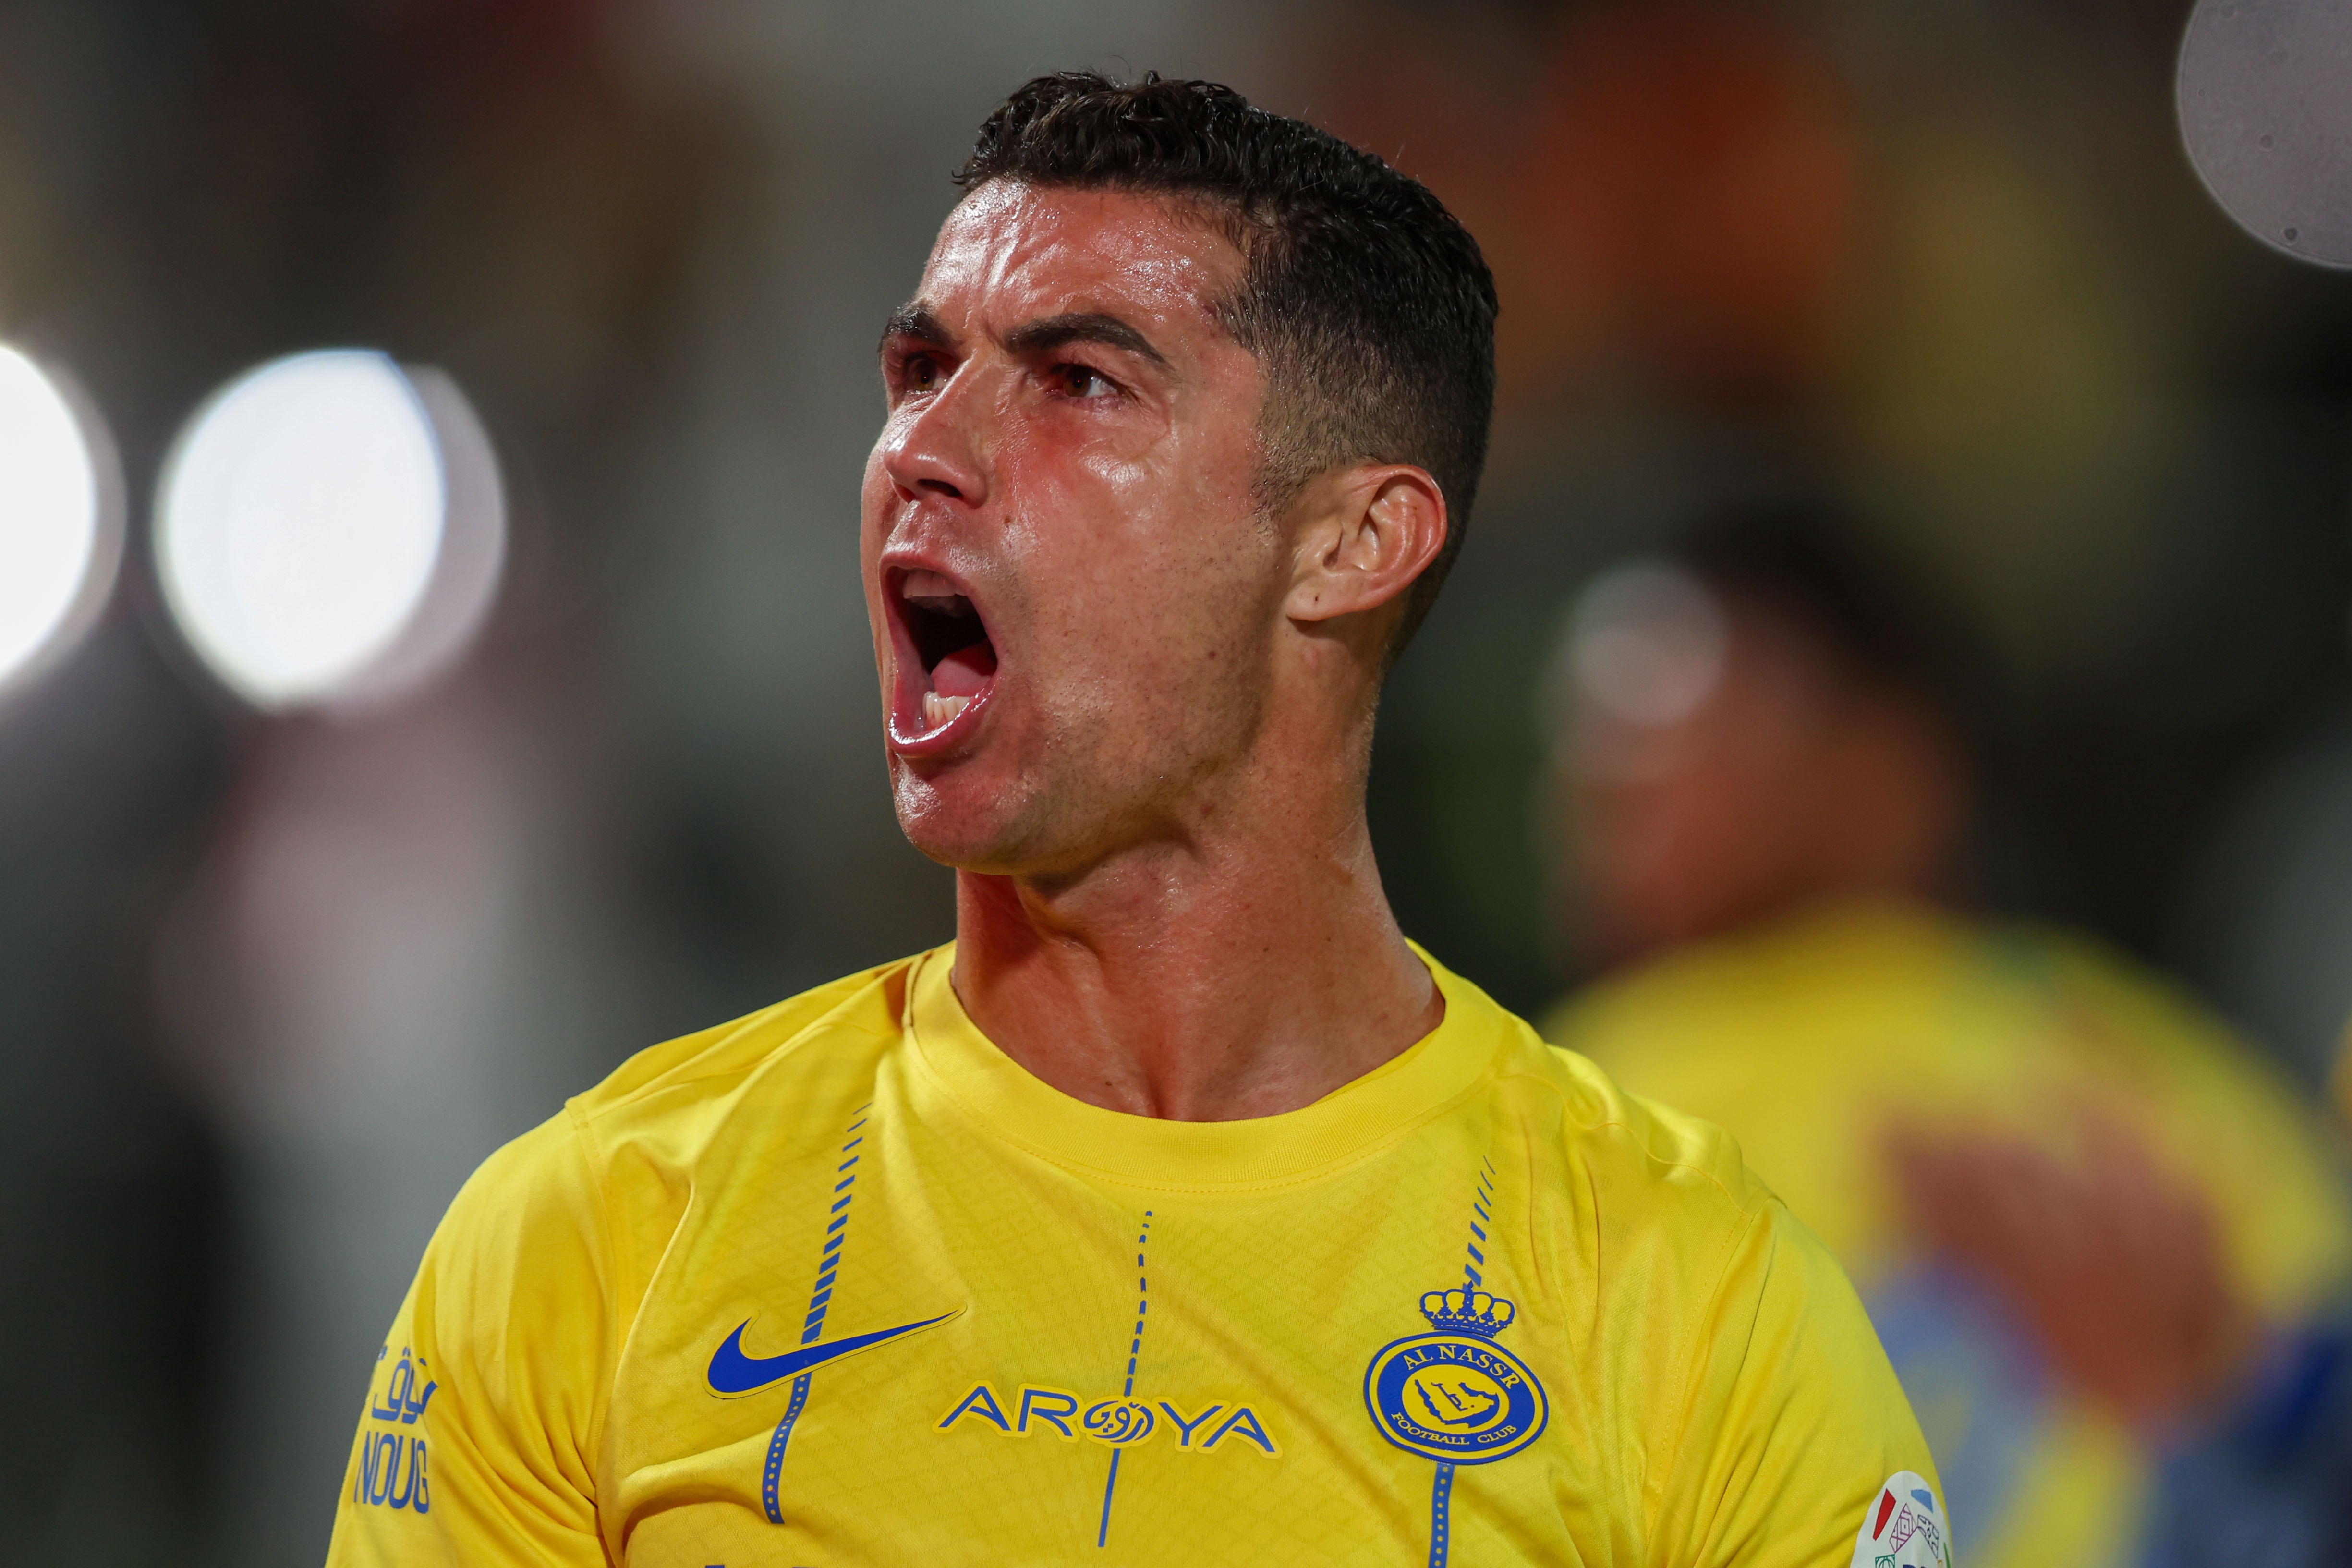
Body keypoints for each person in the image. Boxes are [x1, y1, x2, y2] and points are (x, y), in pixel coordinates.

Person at [327, 76, 1942, 1566]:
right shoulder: (589, 1240)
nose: (921, 452)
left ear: (1350, 541)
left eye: (1078, 382)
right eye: (916, 369)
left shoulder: (1693, 1308)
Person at [1541, 502, 2352, 1568]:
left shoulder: (1576, 1088)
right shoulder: (2172, 1065)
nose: (1603, 791)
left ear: (1893, 771)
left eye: (1678, 737)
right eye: (1589, 751)